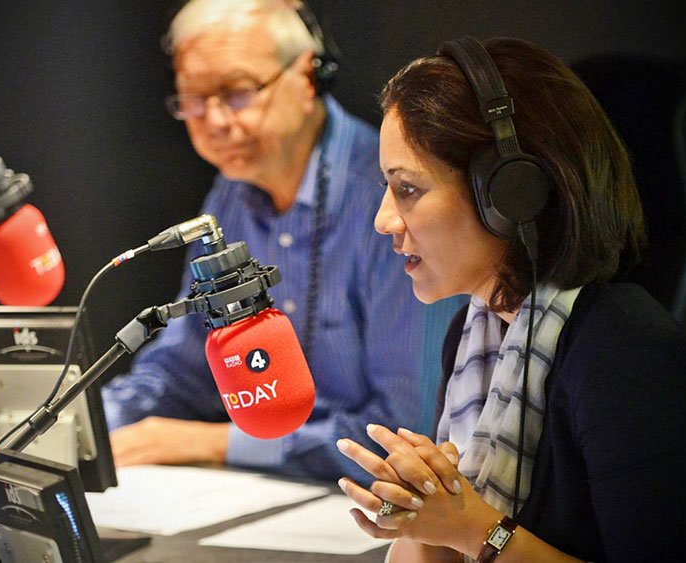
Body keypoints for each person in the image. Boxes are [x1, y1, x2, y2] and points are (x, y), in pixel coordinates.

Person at [335, 37, 686, 562]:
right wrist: (420, 513)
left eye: (407, 188)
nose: (383, 219)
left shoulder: (626, 351)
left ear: (509, 194)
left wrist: (473, 528)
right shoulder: (473, 332)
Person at [102, 0, 459, 482]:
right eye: (192, 98)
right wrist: (73, 427)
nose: (215, 122)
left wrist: (210, 443)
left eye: (237, 92)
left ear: (309, 77)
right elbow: (181, 367)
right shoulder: (229, 194)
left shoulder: (392, 199)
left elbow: (404, 431)